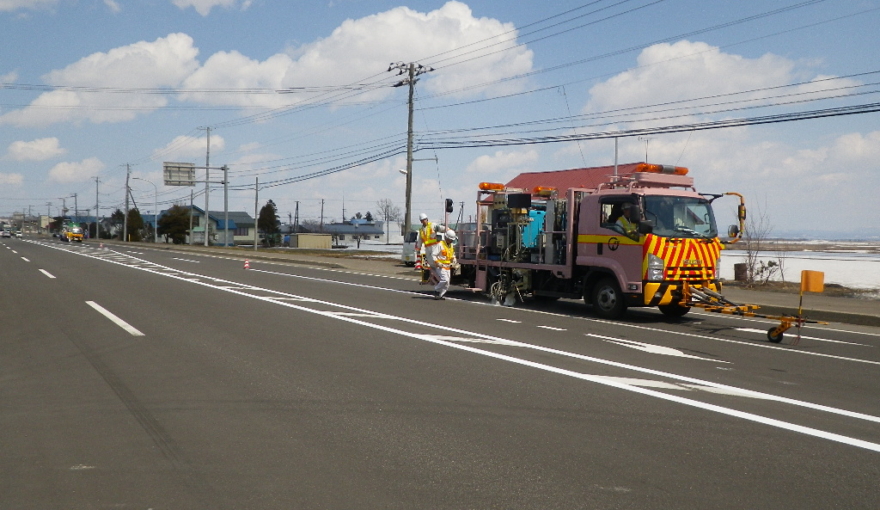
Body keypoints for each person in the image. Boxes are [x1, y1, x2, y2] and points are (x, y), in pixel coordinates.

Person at [415, 212, 446, 280]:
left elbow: (441, 228)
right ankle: (435, 276)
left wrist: (448, 230)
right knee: (431, 263)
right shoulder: (421, 230)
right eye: (422, 220)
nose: (423, 221)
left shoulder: (432, 225)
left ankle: (440, 275)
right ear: (421, 221)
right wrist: (418, 249)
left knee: (435, 260)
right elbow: (420, 240)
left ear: (427, 219)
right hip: (427, 248)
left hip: (435, 247)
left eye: (424, 219)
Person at [432, 229, 456, 300]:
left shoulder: (451, 246)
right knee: (444, 280)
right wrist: (438, 263)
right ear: (446, 238)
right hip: (440, 266)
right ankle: (436, 289)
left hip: (448, 266)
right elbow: (433, 255)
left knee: (447, 283)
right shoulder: (440, 244)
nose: (451, 241)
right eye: (450, 239)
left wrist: (454, 260)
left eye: (452, 240)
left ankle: (440, 295)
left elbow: (452, 255)